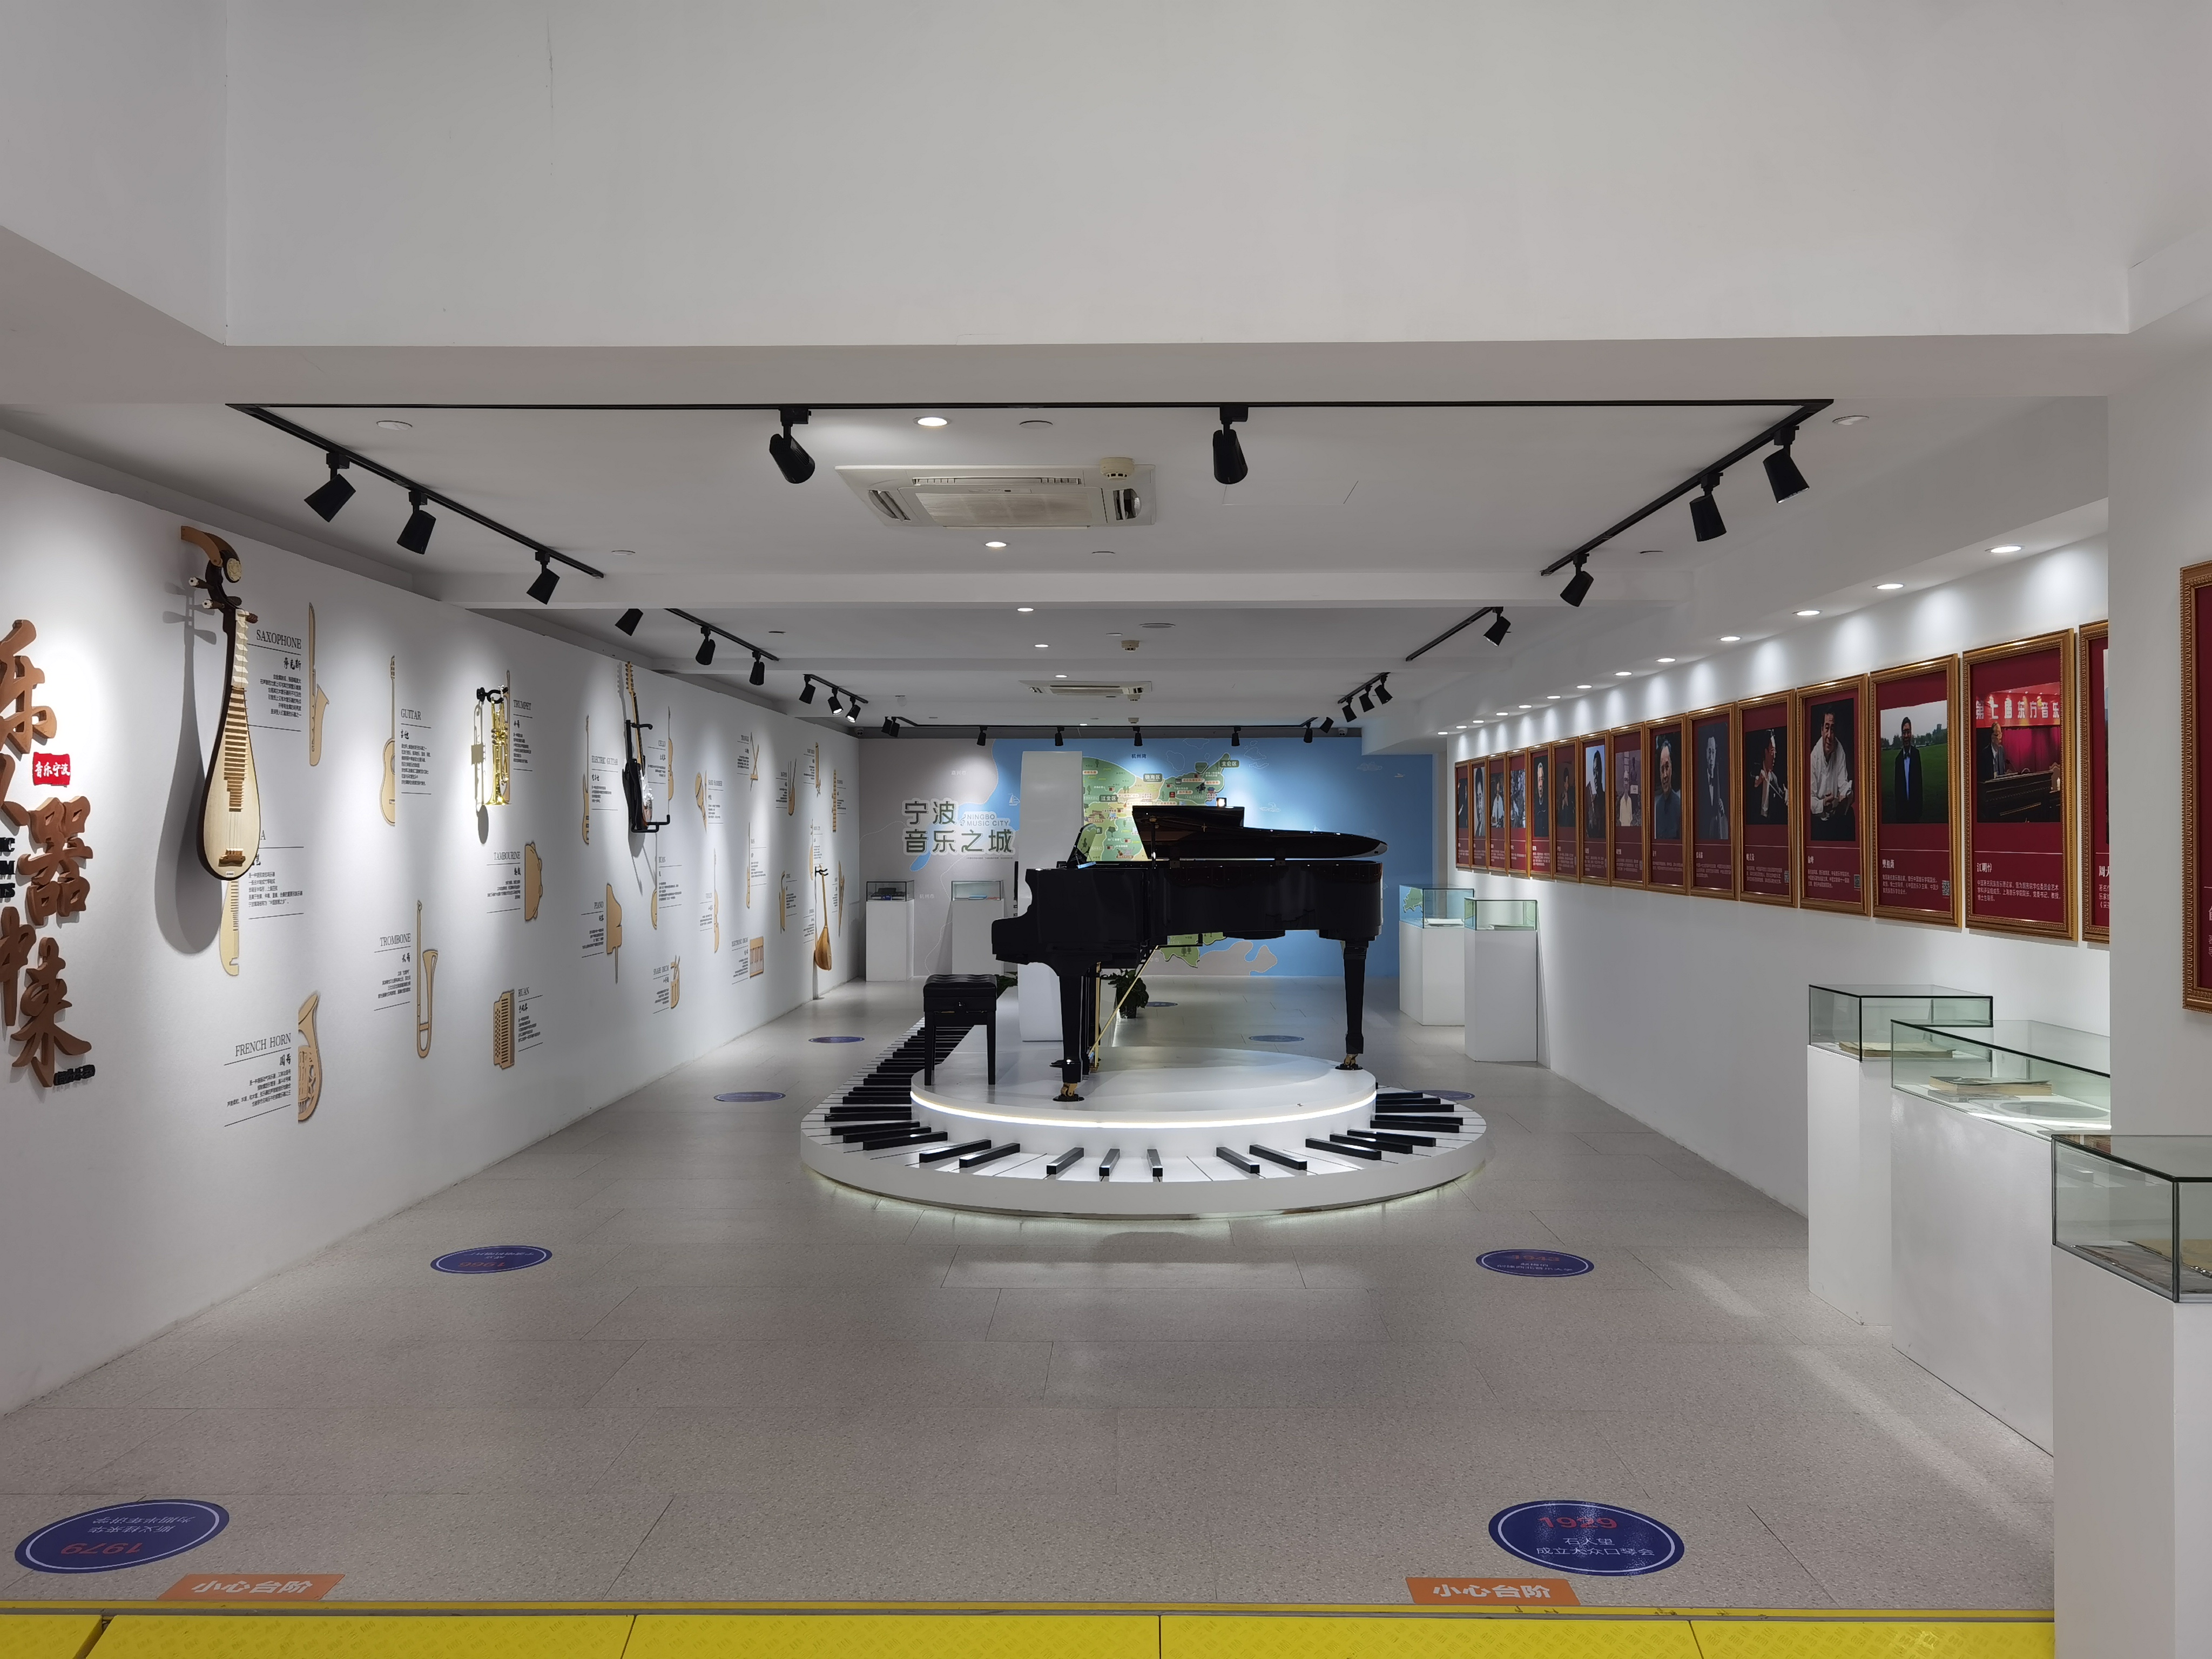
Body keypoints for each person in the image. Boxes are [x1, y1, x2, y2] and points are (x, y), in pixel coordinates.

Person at [1809, 708, 1854, 839]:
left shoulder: (1840, 750)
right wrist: (1823, 804)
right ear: (1822, 730)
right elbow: (1809, 799)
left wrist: (1846, 795)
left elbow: (1843, 783)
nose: (1829, 735)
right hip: (1818, 819)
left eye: (1833, 730)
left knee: (1850, 816)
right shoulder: (1814, 757)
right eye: (1827, 728)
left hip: (1836, 816)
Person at [1892, 716, 1925, 821]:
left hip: (1915, 811)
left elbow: (1919, 784)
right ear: (1902, 735)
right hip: (1902, 813)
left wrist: (1919, 809)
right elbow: (1897, 790)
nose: (1906, 736)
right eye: (1904, 733)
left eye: (1908, 732)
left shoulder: (1916, 755)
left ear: (1911, 733)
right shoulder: (1898, 760)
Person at [1698, 732, 1730, 842]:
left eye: (1713, 752)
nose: (1711, 758)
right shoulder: (1700, 780)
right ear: (1705, 753)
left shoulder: (1721, 779)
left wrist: (1723, 809)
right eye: (1709, 752)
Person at [1750, 732, 1787, 822]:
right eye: (1772, 751)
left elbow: (1781, 793)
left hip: (1767, 821)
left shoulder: (1774, 778)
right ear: (1766, 752)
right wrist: (1757, 782)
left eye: (1775, 752)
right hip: (1754, 820)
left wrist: (1787, 794)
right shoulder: (1754, 770)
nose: (1774, 756)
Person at [1651, 737, 1682, 840]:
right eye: (1662, 769)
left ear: (1672, 768)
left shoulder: (1679, 805)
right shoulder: (1658, 806)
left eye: (1667, 767)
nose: (1665, 775)